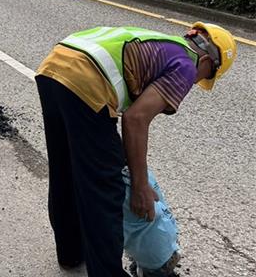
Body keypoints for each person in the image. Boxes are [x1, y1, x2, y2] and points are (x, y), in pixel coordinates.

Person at [35, 23, 237, 276]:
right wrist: (140, 185)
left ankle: (71, 253)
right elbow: (135, 119)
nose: (199, 81)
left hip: (54, 67)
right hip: (86, 80)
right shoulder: (187, 65)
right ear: (208, 60)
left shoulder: (165, 44)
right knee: (105, 190)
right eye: (207, 75)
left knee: (64, 169)